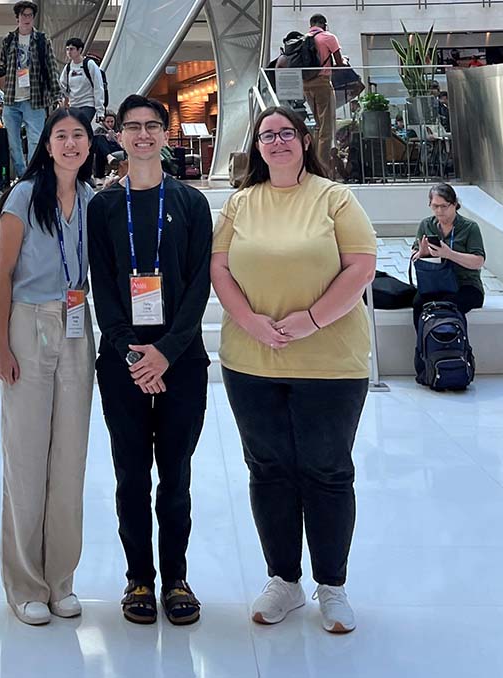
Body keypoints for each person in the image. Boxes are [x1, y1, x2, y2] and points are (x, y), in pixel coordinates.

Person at [210, 105, 376, 634]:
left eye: (286, 133)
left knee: (327, 471)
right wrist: (251, 322)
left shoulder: (335, 198)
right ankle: (284, 580)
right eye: (266, 135)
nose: (277, 142)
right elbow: (219, 267)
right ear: (256, 147)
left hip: (330, 361)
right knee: (270, 470)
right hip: (251, 360)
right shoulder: (240, 203)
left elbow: (361, 266)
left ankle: (332, 585)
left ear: (304, 141)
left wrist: (311, 320)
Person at [88, 94, 212, 627]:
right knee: (131, 475)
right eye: (132, 127)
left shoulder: (190, 203)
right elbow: (103, 288)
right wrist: (130, 351)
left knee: (176, 476)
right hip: (122, 363)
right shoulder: (104, 206)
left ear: (165, 135)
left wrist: (165, 352)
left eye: (152, 126)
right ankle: (139, 577)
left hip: (181, 360)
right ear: (117, 135)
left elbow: (199, 286)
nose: (142, 135)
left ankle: (177, 577)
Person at [0, 108, 96, 626]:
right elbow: (3, 276)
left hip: (78, 323)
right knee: (26, 456)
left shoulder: (94, 200)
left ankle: (61, 580)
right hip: (29, 325)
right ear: (47, 145)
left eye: (79, 135)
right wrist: (0, 348)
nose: (71, 143)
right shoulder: (23, 196)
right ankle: (25, 583)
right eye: (62, 136)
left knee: (70, 458)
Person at [0, 1, 60, 179]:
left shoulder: (42, 40)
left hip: (34, 100)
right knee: (13, 144)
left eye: (30, 15)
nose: (27, 18)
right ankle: (23, 177)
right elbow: (4, 66)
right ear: (17, 17)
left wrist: (57, 96)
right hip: (11, 99)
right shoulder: (9, 40)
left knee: (35, 140)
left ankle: (34, 176)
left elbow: (51, 68)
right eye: (23, 15)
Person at [411, 183, 485, 327]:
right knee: (418, 303)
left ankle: (453, 346)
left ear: (454, 204)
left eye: (444, 206)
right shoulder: (426, 225)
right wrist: (422, 254)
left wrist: (449, 254)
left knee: (447, 305)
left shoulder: (470, 227)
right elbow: (415, 253)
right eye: (435, 206)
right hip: (436, 283)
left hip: (465, 284)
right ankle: (424, 346)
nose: (439, 211)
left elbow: (478, 261)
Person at [304, 14, 343, 171]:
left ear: (311, 24)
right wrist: (343, 62)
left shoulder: (304, 39)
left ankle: (313, 163)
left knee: (318, 126)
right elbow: (339, 62)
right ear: (324, 25)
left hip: (305, 85)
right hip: (322, 83)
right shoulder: (328, 37)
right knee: (326, 127)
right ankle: (322, 169)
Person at [58, 37, 105, 127]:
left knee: (80, 126)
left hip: (88, 104)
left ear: (80, 50)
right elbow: (62, 86)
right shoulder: (68, 68)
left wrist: (100, 111)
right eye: (67, 49)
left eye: (72, 49)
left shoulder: (89, 64)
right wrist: (65, 100)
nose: (69, 52)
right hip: (74, 105)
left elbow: (98, 86)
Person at [93, 110, 122, 178]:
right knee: (99, 140)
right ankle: (109, 157)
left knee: (100, 149)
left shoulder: (118, 130)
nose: (110, 124)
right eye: (108, 122)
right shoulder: (99, 130)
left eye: (112, 121)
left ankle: (99, 176)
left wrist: (116, 139)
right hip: (105, 150)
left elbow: (122, 145)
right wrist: (106, 137)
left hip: (116, 147)